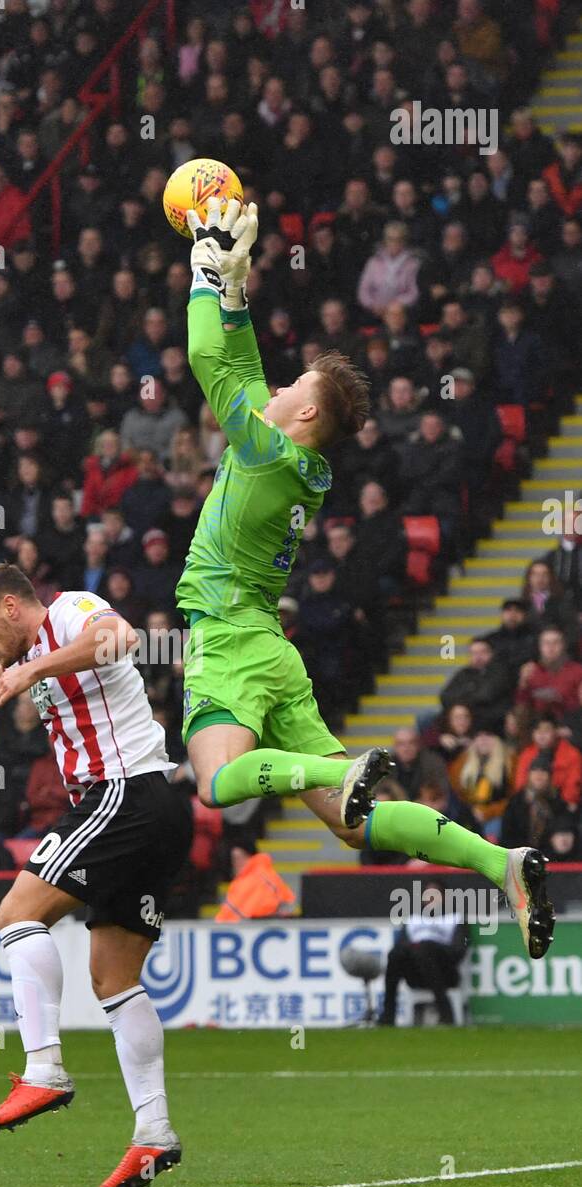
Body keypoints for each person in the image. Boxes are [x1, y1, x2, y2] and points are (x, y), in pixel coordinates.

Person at [175, 197, 554, 959]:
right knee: (353, 820)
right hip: (273, 653)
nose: (278, 387)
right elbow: (242, 365)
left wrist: (202, 275)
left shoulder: (265, 452)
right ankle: (498, 863)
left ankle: (330, 770)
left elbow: (205, 363)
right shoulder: (291, 457)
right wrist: (238, 293)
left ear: (306, 414)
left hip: (229, 640)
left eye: (294, 387)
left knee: (215, 782)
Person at [0, 563, 191, 1187]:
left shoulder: (72, 611)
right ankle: (154, 1132)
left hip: (123, 793)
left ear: (11, 607)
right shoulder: (21, 652)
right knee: (115, 978)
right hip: (152, 809)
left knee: (16, 914)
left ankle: (44, 1067)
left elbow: (122, 637)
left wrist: (32, 670)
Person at [379, 881, 468, 1027]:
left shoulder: (454, 919)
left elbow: (458, 951)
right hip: (416, 974)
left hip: (445, 974)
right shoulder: (414, 919)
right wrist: (416, 948)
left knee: (424, 949)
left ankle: (446, 1013)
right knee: (395, 954)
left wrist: (430, 947)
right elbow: (401, 946)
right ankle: (388, 1016)